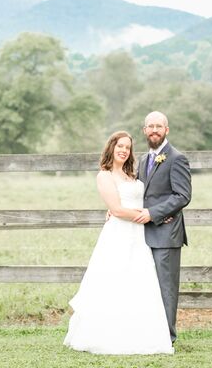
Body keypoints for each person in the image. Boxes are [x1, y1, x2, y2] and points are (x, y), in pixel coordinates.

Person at [64, 131, 174, 355]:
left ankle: (140, 335)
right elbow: (116, 209)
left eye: (128, 147)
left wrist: (159, 213)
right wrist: (148, 214)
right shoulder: (104, 176)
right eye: (120, 146)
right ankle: (108, 336)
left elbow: (142, 199)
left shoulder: (132, 176)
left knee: (138, 282)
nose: (124, 150)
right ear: (111, 148)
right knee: (113, 281)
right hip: (118, 235)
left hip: (138, 236)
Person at [134, 111, 192, 344]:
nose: (154, 130)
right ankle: (149, 333)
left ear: (167, 130)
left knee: (166, 288)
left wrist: (154, 213)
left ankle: (168, 338)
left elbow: (182, 196)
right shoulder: (142, 159)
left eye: (159, 126)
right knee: (146, 285)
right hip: (142, 234)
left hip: (167, 234)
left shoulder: (176, 158)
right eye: (150, 126)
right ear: (144, 130)